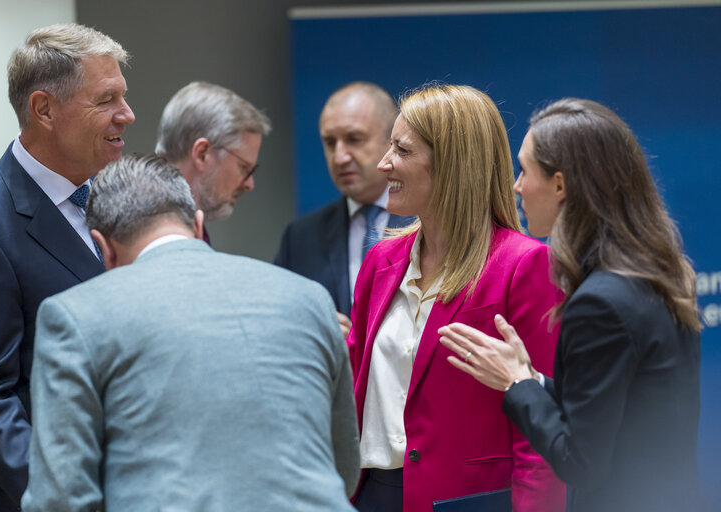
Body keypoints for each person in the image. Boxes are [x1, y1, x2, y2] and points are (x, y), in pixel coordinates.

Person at [20, 155, 360, 512]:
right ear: (198, 225)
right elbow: (344, 465)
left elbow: (60, 499)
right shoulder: (310, 298)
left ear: (103, 249)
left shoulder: (75, 316)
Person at [439, 98, 705, 512]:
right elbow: (620, 407)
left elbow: (579, 461)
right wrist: (533, 378)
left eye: (524, 170)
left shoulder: (599, 303)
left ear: (560, 185)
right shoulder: (650, 277)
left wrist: (517, 384)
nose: (516, 186)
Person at [348, 84, 565, 511]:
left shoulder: (525, 265)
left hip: (465, 500)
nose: (383, 163)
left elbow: (539, 428)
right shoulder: (380, 262)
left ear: (451, 164)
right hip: (370, 495)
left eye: (402, 150)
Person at [0, 23, 134, 511]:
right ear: (44, 109)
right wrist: (72, 496)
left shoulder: (109, 195)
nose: (128, 115)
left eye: (124, 96)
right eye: (107, 100)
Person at [275, 82, 413, 337]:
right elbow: (279, 321)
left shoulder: (431, 221)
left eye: (354, 139)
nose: (339, 157)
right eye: (330, 142)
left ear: (392, 141)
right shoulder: (300, 237)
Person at [155, 81, 270, 241]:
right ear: (202, 154)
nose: (250, 184)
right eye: (244, 168)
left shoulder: (185, 226)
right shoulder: (146, 235)